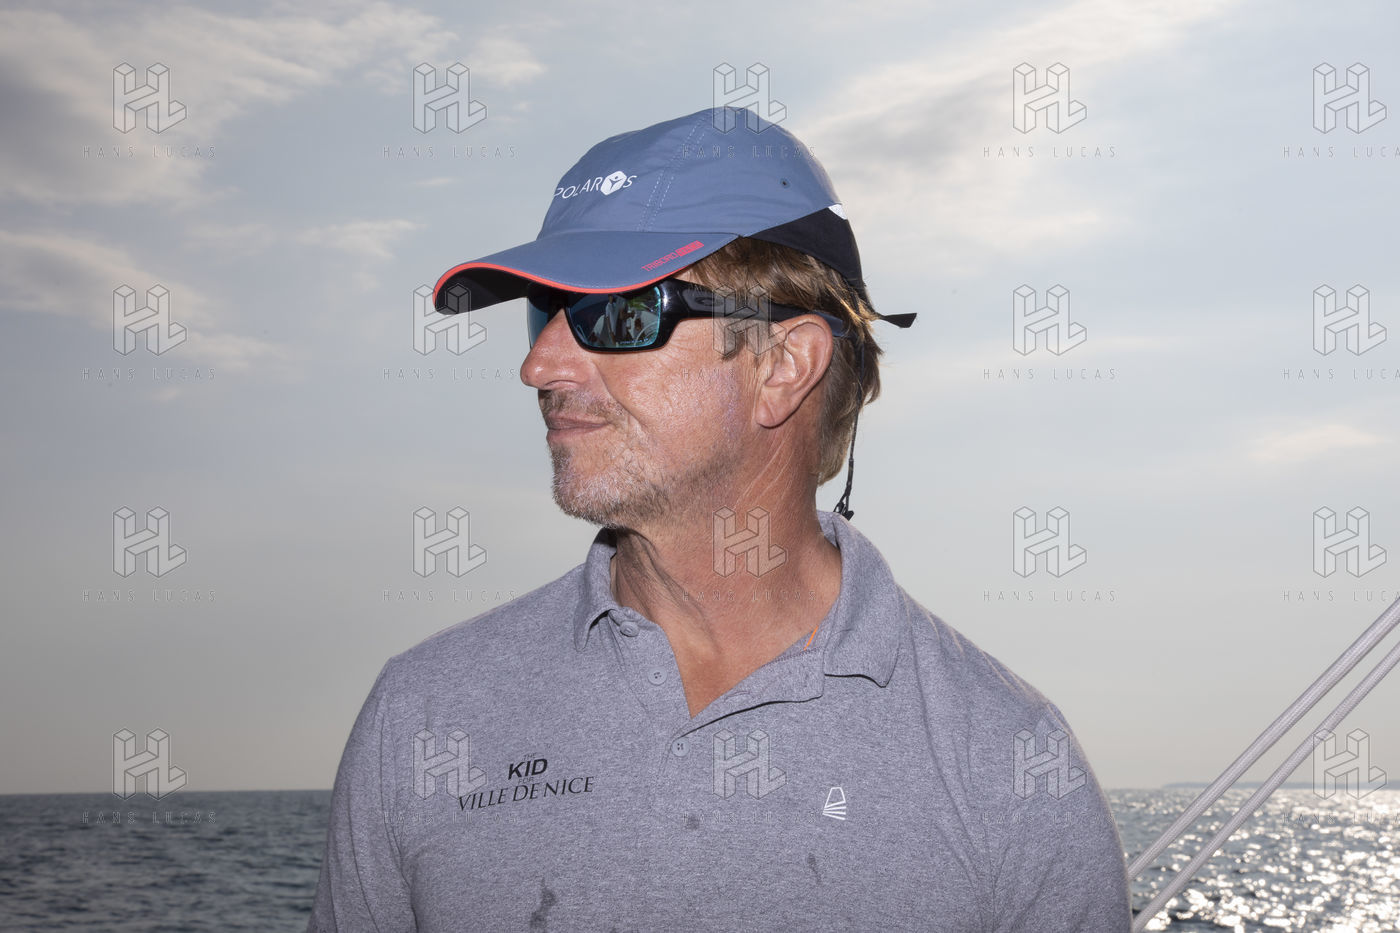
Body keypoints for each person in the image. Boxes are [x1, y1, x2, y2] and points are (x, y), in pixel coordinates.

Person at [307, 106, 1132, 932]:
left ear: (784, 366)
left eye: (617, 311)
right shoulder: (422, 715)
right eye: (543, 312)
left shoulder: (1012, 768)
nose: (539, 364)